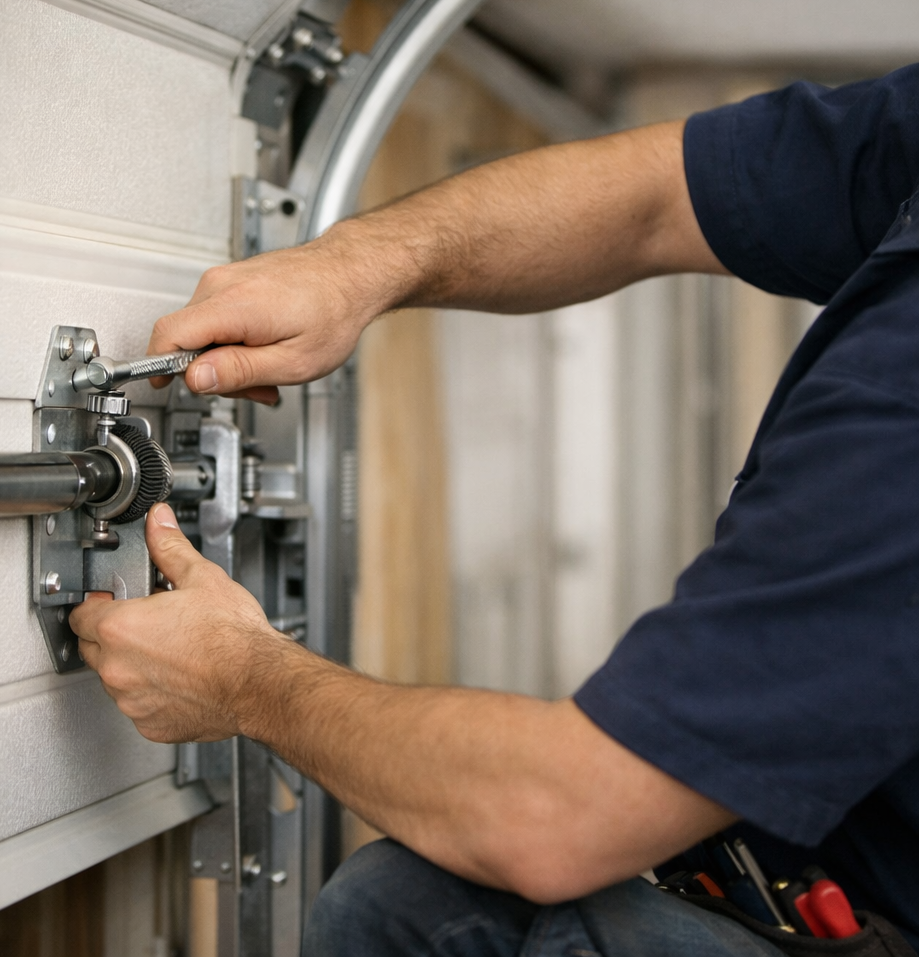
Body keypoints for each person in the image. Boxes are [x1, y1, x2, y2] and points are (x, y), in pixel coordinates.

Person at [70, 64, 919, 956]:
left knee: (504, 931)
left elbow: (558, 817)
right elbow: (658, 196)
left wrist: (247, 682)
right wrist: (356, 267)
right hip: (822, 880)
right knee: (404, 903)